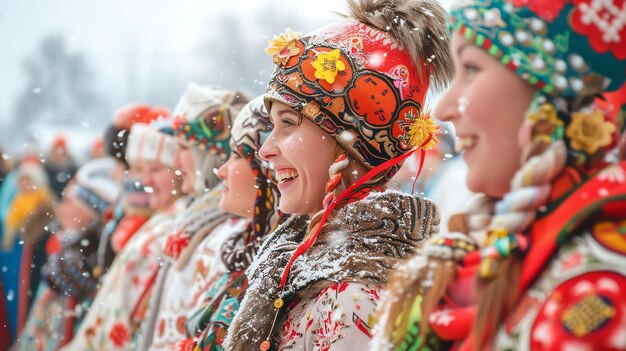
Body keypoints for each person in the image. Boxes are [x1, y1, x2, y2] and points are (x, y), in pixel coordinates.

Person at [373, 0, 626, 350]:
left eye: (472, 69)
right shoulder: (491, 252)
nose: (444, 109)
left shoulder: (600, 287)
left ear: (549, 96)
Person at [223, 0, 450, 349]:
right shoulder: (296, 266)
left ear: (349, 145)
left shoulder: (355, 298)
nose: (265, 149)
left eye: (288, 124)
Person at [138, 84, 250, 350]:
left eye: (184, 148)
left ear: (211, 154)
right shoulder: (198, 218)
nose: (175, 162)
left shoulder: (228, 231)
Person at [62, 120, 185, 351]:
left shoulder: (162, 231)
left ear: (179, 172)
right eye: (136, 169)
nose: (142, 179)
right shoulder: (145, 224)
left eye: (156, 169)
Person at [184, 96, 282, 351]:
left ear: (268, 171)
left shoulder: (281, 268)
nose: (221, 170)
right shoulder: (242, 250)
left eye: (237, 154)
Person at [13, 157, 121, 351]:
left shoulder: (91, 258)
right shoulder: (66, 246)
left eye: (69, 202)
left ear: (91, 211)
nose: (61, 209)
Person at [44, 134, 77, 199]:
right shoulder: (46, 167)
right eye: (57, 149)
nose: (58, 153)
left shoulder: (72, 168)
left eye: (61, 149)